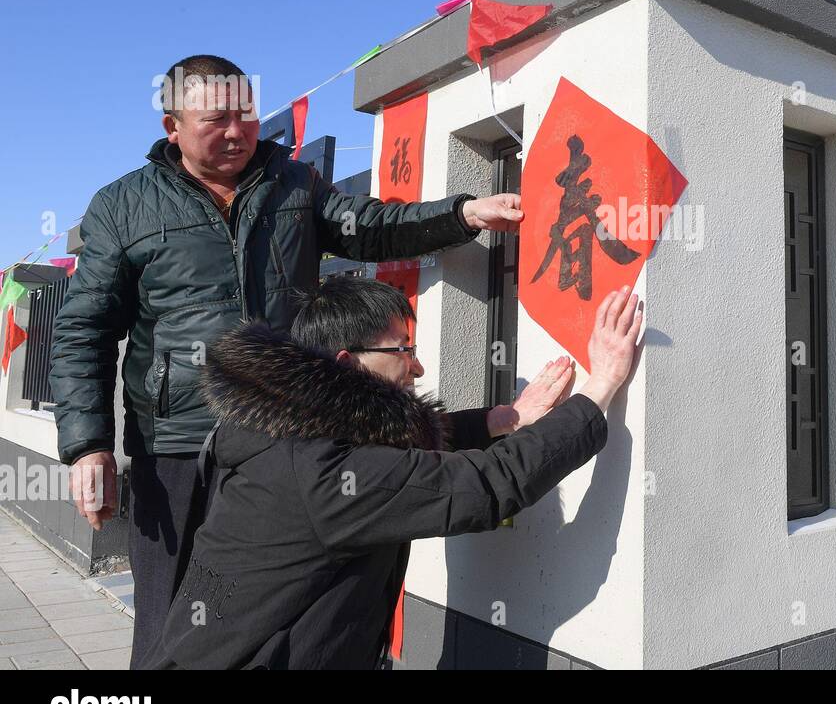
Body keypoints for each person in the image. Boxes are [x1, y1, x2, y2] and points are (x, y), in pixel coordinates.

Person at [49, 54, 524, 667]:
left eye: (246, 115)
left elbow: (372, 227)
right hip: (175, 448)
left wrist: (462, 214)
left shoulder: (293, 184)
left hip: (284, 443)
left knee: (277, 619)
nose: (237, 132)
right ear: (172, 126)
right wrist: (87, 445)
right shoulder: (123, 206)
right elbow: (82, 331)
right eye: (216, 119)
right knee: (171, 625)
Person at [143, 275, 642, 669]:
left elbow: (396, 445)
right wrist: (601, 388)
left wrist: (503, 419)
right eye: (403, 350)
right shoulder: (325, 474)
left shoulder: (282, 428)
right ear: (348, 363)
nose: (418, 368)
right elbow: (485, 484)